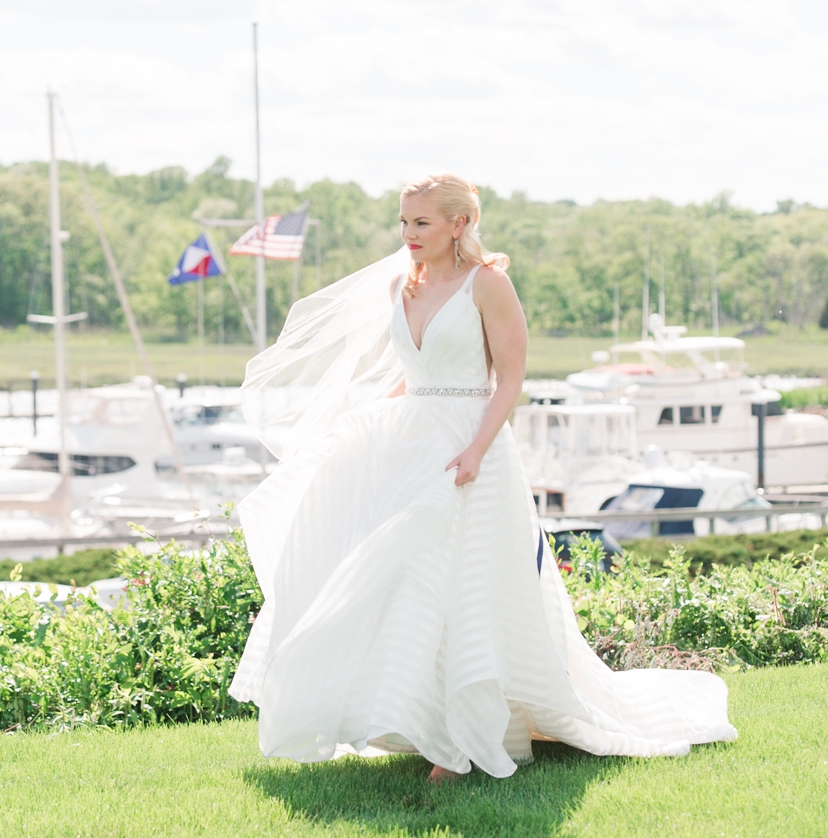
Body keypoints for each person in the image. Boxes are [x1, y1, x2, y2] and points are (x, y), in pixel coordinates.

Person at [228, 173, 737, 782]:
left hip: (471, 446)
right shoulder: (401, 283)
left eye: (420, 222)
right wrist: (366, 425)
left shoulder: (487, 284)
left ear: (458, 224)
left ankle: (467, 737)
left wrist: (474, 449)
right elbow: (411, 373)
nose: (408, 234)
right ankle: (422, 719)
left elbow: (510, 379)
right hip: (410, 442)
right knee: (405, 578)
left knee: (464, 582)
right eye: (404, 222)